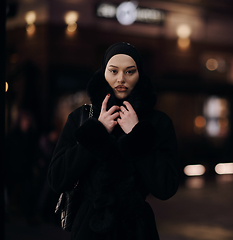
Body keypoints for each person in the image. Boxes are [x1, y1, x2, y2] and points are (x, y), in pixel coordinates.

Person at [48, 42, 180, 240]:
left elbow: (166, 187)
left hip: (136, 230)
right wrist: (96, 132)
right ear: (103, 73)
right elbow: (56, 178)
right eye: (113, 71)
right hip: (89, 228)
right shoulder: (82, 117)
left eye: (129, 72)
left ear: (139, 75)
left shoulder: (157, 122)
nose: (121, 79)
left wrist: (137, 135)